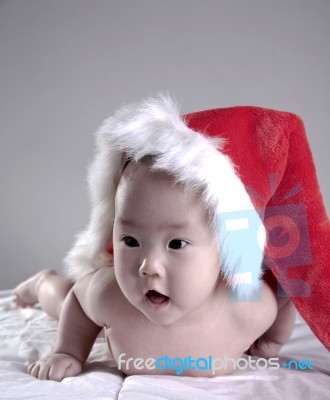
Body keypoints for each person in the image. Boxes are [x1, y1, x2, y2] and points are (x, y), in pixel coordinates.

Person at [13, 96, 297, 380]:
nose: (147, 266)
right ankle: (41, 284)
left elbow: (287, 290)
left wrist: (273, 340)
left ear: (225, 249)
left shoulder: (247, 308)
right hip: (110, 314)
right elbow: (78, 297)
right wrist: (68, 351)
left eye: (176, 244)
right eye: (131, 241)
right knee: (62, 302)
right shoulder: (109, 296)